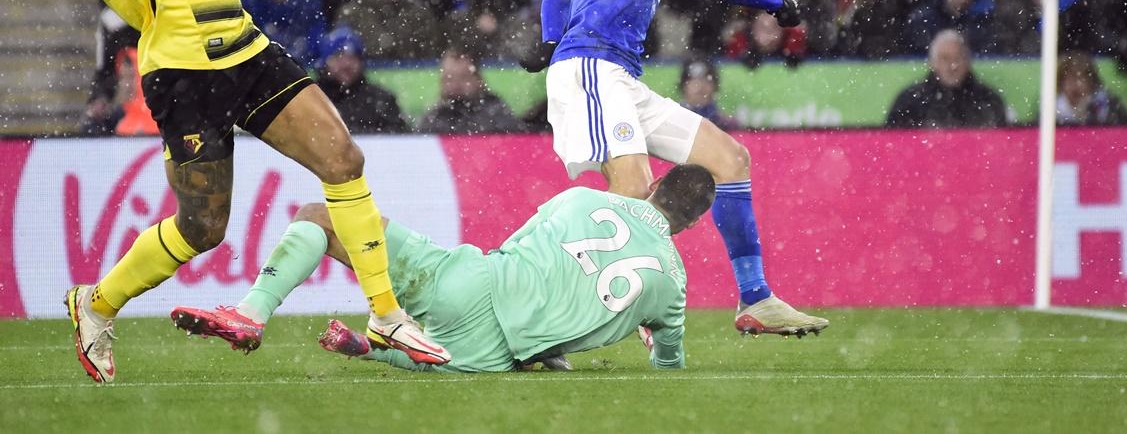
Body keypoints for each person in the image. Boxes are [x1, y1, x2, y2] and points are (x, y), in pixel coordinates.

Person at [68, 0, 441, 385]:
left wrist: (151, 15)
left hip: (243, 51)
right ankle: (97, 303)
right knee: (202, 228)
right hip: (187, 75)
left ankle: (386, 314)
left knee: (342, 160)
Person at [523, 0, 827, 337]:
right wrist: (778, 3)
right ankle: (555, 318)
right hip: (594, 69)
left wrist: (550, 37)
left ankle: (756, 299)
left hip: (621, 75)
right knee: (634, 195)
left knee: (729, 160)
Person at [171, 164, 719, 372]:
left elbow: (517, 248)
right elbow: (668, 366)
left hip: (472, 282)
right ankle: (372, 349)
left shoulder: (581, 198)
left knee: (321, 215)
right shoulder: (672, 286)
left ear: (652, 186)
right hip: (499, 355)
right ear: (693, 223)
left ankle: (253, 311)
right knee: (448, 363)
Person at [886, 29, 1008, 128]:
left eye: (958, 58)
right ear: (933, 63)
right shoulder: (909, 102)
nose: (952, 66)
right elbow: (894, 143)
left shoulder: (988, 100)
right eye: (945, 58)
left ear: (967, 61)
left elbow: (1000, 143)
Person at [315, 28, 410, 134]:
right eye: (338, 56)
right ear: (325, 62)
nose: (346, 64)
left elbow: (400, 140)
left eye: (352, 57)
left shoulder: (381, 99)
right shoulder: (310, 98)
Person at [418, 48, 525, 135]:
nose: (455, 86)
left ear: (479, 80)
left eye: (463, 78)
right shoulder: (434, 117)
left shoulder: (496, 113)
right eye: (449, 79)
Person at [1056, 52, 1127, 126]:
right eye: (1071, 78)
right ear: (1061, 82)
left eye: (1081, 78)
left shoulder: (1110, 106)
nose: (1076, 84)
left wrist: (1088, 116)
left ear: (1092, 81)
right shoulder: (1052, 110)